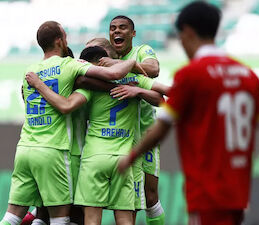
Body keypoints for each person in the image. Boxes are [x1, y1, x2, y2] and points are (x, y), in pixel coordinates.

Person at [118, 2, 259, 225]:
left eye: (181, 36)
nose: (181, 42)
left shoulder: (190, 75)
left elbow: (162, 128)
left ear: (188, 32)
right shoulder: (247, 74)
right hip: (238, 191)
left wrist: (131, 157)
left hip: (205, 191)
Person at [0, 21, 142, 225]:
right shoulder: (72, 72)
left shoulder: (30, 71)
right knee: (64, 218)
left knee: (16, 216)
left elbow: (27, 95)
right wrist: (132, 70)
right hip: (62, 151)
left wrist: (39, 85)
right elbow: (75, 99)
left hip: (26, 148)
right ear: (60, 40)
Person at [25, 45, 165, 225]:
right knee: (126, 216)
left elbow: (66, 105)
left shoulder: (84, 87)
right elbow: (163, 97)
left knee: (78, 215)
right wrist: (137, 90)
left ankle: (34, 217)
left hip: (89, 157)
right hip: (123, 158)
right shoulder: (132, 82)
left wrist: (38, 86)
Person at [99, 15, 165, 225]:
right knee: (129, 202)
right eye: (113, 28)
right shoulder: (103, 57)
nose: (117, 31)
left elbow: (153, 70)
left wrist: (123, 67)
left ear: (133, 33)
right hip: (114, 140)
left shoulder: (142, 51)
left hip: (144, 136)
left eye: (123, 28)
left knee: (150, 196)